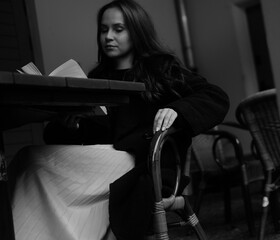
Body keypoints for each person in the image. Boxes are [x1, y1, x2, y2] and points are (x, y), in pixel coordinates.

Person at [9, 0, 229, 239]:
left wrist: (177, 110)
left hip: (143, 164)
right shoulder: (96, 78)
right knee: (28, 160)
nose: (108, 37)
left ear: (136, 31)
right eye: (104, 30)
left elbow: (215, 96)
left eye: (118, 29)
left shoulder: (161, 68)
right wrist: (71, 124)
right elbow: (85, 132)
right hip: (102, 161)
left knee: (30, 161)